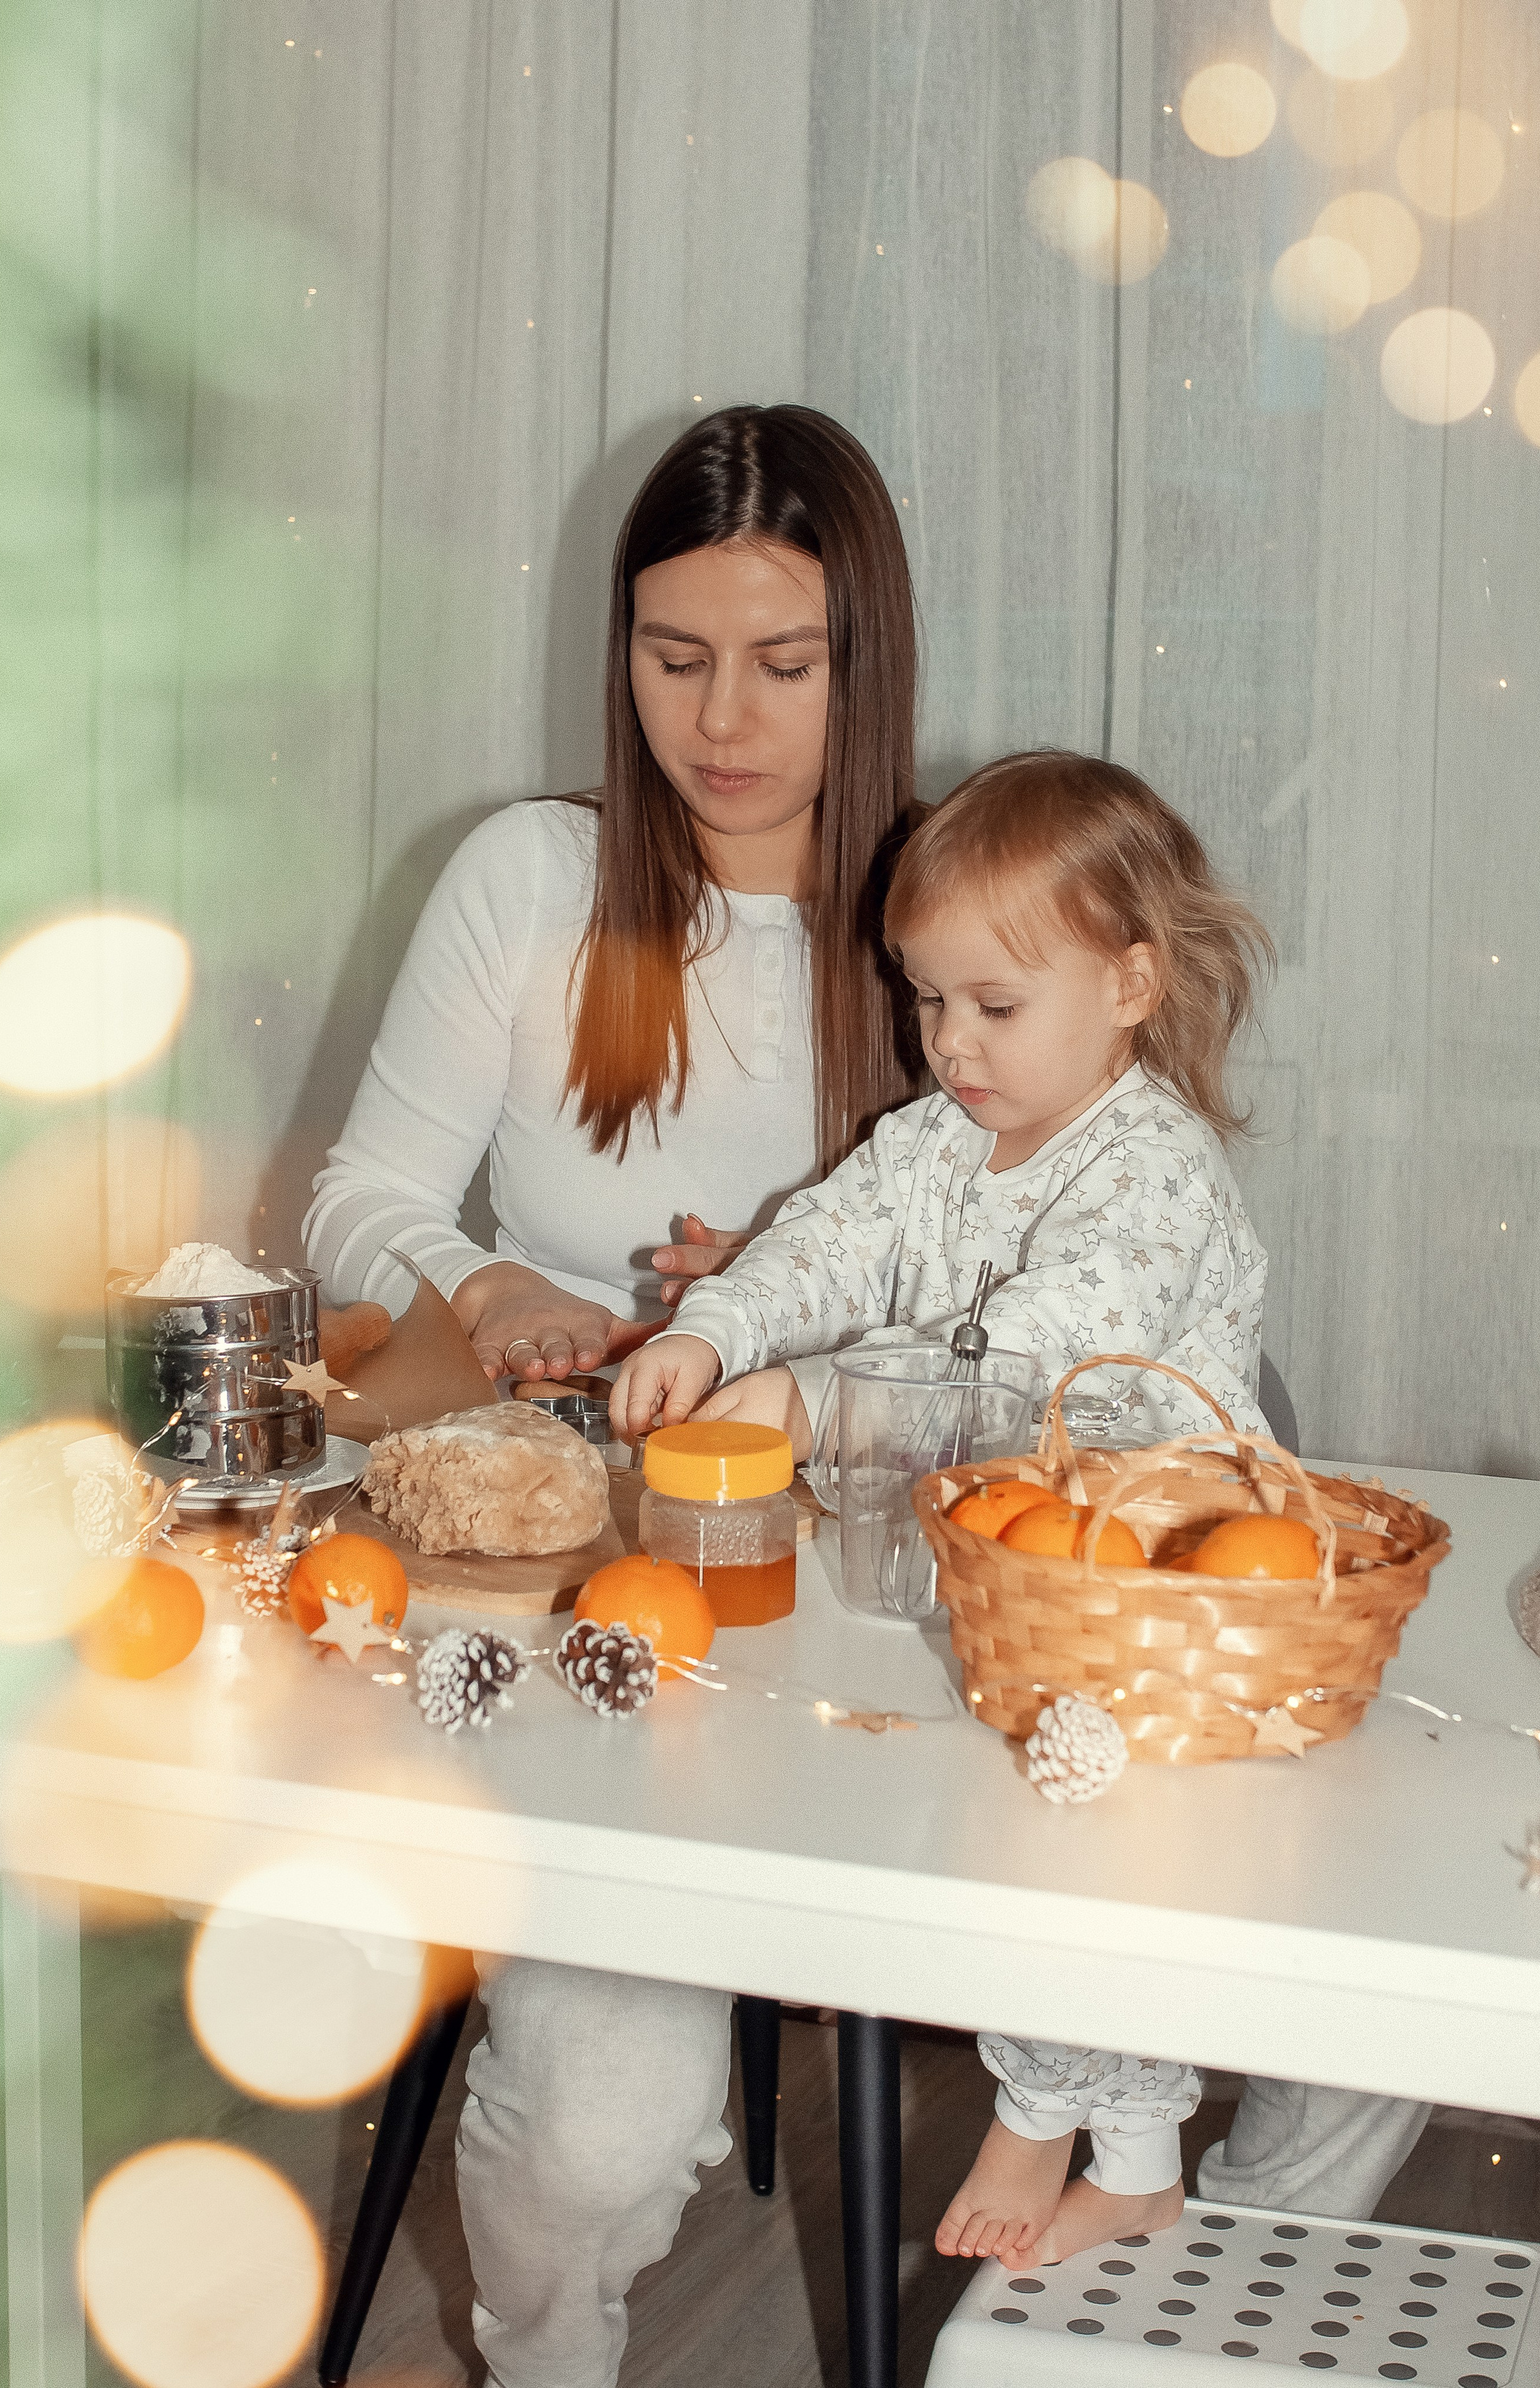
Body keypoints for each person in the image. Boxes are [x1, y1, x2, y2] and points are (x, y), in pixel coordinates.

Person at [613, 750, 1430, 2265]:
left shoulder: (1156, 1168)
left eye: (994, 1005)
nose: (950, 1043)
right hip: (1018, 1577)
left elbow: (1038, 1336)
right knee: (1027, 1839)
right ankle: (1123, 2147)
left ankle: (1065, 2116)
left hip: (1173, 1585)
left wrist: (808, 1395)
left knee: (1094, 1860)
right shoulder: (926, 1144)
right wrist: (714, 1331)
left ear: (1128, 984)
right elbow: (824, 1244)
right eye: (927, 1000)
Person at [305, 403, 923, 2386]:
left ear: (869, 657)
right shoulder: (536, 874)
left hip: (879, 1592)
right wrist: (495, 1281)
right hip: (595, 1585)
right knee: (590, 2125)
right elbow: (357, 1198)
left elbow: (1053, 1277)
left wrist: (767, 1311)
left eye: (784, 662)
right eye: (673, 658)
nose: (720, 720)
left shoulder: (954, 904)